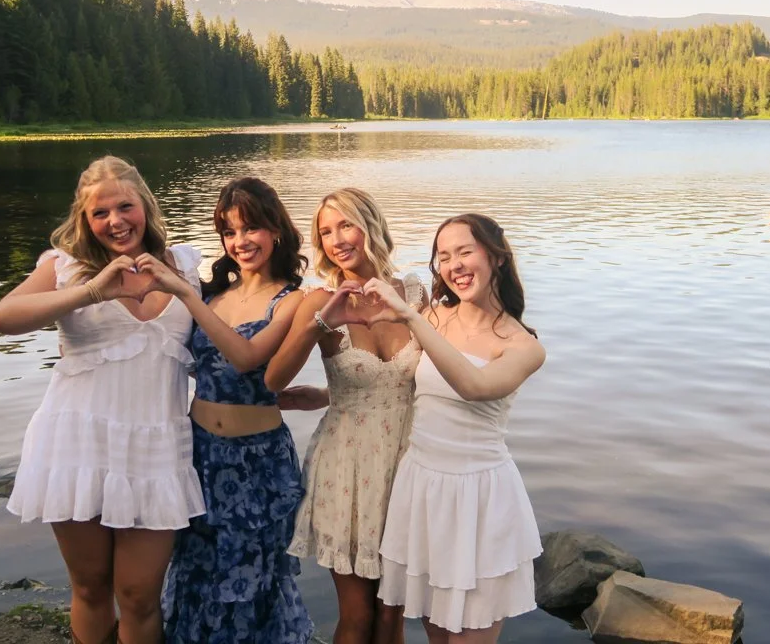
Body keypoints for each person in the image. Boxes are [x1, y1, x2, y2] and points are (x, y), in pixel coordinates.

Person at [0, 155, 205, 644]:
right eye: (100, 214)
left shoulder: (186, 267)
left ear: (145, 206)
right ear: (84, 220)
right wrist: (91, 291)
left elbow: (222, 339)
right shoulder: (64, 267)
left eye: (124, 206)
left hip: (157, 448)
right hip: (77, 444)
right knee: (90, 586)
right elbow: (4, 317)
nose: (115, 221)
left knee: (139, 595)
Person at [138, 177, 315, 643]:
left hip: (258, 461)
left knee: (253, 579)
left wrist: (185, 294)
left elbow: (247, 357)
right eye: (229, 232)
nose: (240, 242)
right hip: (199, 455)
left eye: (250, 228)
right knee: (197, 571)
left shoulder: (292, 299)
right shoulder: (215, 292)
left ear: (276, 230)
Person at [360, 213, 546, 644]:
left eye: (465, 252)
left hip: (479, 499)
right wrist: (323, 395)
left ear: (496, 256)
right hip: (423, 489)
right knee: (436, 635)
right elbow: (399, 386)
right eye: (444, 257)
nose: (455, 265)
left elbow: (474, 386)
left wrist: (410, 316)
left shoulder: (524, 346)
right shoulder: (434, 317)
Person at [266, 187, 424, 644]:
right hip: (348, 465)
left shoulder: (416, 293)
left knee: (392, 615)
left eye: (345, 224)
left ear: (371, 225)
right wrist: (321, 321)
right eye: (325, 232)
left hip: (408, 461)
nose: (336, 239)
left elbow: (425, 379)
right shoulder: (319, 302)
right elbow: (274, 379)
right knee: (357, 617)